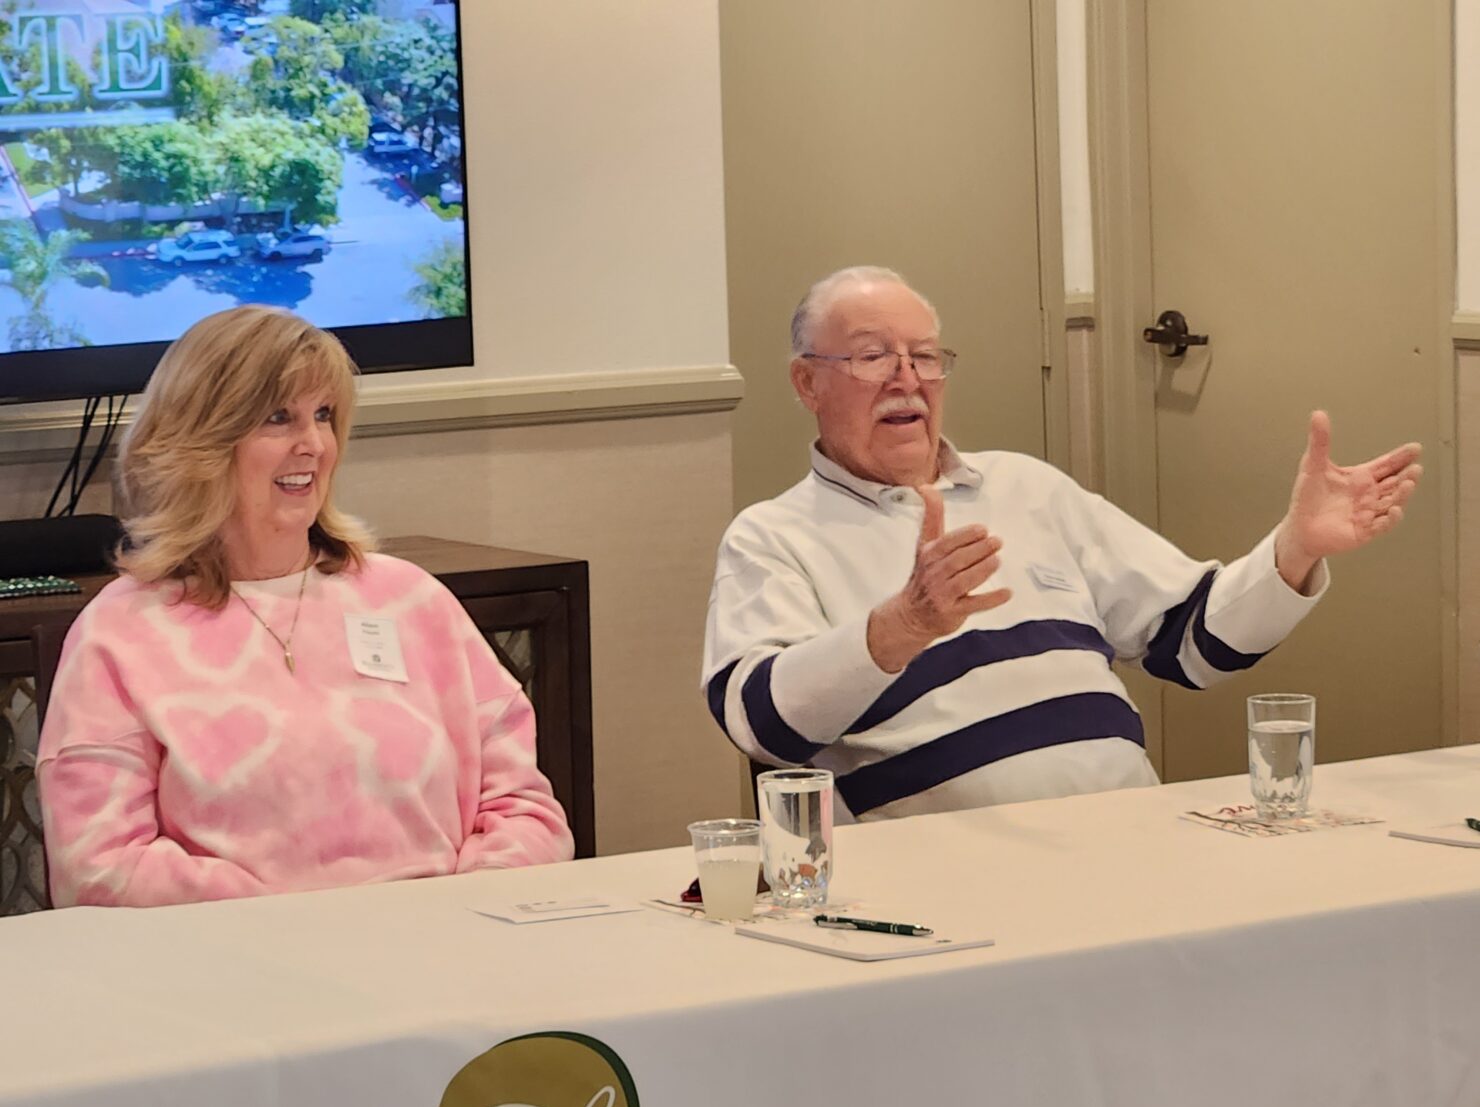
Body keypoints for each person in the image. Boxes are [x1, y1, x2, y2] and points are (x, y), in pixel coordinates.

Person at [702, 266, 1422, 822]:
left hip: (1136, 834)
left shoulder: (1026, 487)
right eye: (871, 357)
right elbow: (762, 726)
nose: (908, 378)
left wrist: (1293, 548)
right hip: (940, 879)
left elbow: (1193, 643)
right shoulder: (774, 536)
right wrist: (902, 626)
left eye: (924, 356)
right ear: (807, 383)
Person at [38, 306, 573, 908]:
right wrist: (294, 928)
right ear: (202, 441)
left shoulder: (410, 600)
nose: (314, 444)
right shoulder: (122, 632)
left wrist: (449, 916)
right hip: (232, 972)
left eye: (324, 415)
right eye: (278, 418)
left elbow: (525, 813)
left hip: (440, 952)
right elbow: (99, 866)